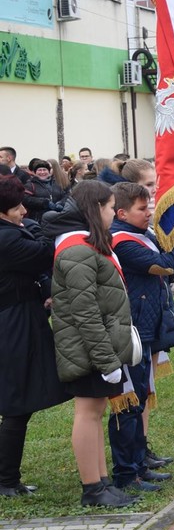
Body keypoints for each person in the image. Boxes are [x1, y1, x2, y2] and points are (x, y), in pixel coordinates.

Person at [44, 180, 140, 507]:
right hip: (87, 348)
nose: (115, 213)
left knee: (96, 410)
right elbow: (85, 313)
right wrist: (107, 361)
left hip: (98, 346)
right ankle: (92, 488)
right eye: (112, 208)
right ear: (95, 209)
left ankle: (102, 481)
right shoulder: (76, 250)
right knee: (87, 411)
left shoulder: (88, 245)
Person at [108, 182, 174, 491]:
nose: (149, 212)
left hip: (147, 325)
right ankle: (127, 473)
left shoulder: (142, 234)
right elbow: (165, 265)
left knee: (139, 400)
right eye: (142, 209)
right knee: (128, 403)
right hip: (131, 330)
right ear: (122, 212)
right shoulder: (122, 241)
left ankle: (139, 464)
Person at [0, 176, 70, 497]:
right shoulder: (7, 239)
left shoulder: (10, 232)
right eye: (17, 208)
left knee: (18, 403)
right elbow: (44, 254)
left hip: (19, 318)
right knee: (16, 404)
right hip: (14, 324)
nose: (24, 211)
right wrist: (40, 227)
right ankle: (6, 481)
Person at [23, 158, 67, 223]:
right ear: (35, 172)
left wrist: (61, 203)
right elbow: (25, 199)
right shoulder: (30, 185)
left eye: (44, 170)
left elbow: (66, 195)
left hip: (57, 218)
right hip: (38, 220)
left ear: (49, 171)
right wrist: (45, 203)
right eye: (39, 170)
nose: (42, 172)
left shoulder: (57, 184)